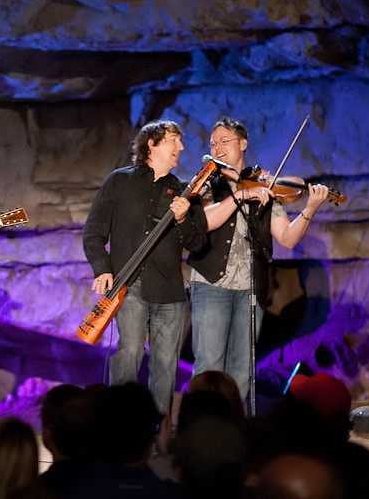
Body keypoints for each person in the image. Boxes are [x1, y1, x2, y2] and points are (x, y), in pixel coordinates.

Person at [187, 117, 330, 403]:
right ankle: (201, 428)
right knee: (208, 366)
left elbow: (287, 238)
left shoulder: (264, 185)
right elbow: (204, 222)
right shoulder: (206, 182)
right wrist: (242, 194)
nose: (216, 148)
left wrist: (310, 209)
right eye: (212, 143)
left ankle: (235, 434)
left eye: (224, 141)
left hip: (251, 288)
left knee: (242, 369)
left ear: (243, 144)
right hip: (211, 284)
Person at [82, 119, 207, 415]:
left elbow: (198, 242)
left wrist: (182, 219)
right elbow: (93, 231)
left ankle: (159, 433)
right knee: (130, 351)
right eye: (174, 140)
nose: (181, 147)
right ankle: (119, 423)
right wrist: (102, 268)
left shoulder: (185, 192)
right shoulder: (119, 181)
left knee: (165, 363)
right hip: (130, 283)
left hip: (170, 289)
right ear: (151, 143)